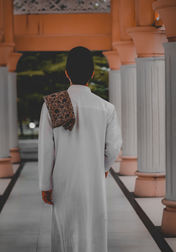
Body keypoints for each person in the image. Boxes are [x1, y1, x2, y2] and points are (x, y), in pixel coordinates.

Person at [38, 46, 122, 252]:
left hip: (63, 181)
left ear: (66, 72)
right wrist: (100, 168)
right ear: (92, 74)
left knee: (64, 229)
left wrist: (45, 184)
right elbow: (113, 147)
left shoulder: (53, 103)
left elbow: (46, 149)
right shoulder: (106, 108)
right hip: (92, 181)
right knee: (93, 227)